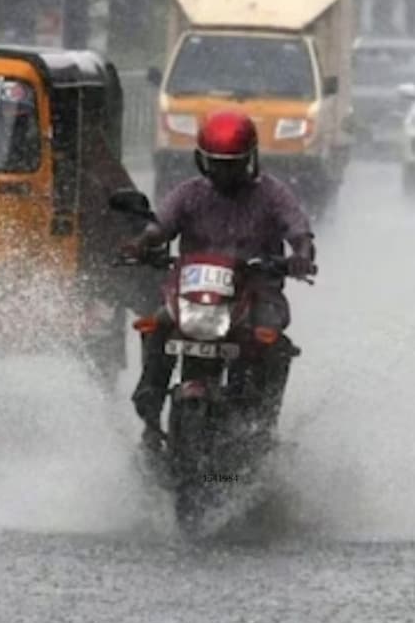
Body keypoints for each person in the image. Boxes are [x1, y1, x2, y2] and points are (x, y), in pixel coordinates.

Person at [119, 110, 317, 454]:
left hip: (256, 294)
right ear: (202, 161)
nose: (226, 173)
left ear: (250, 160)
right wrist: (141, 243)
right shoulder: (189, 194)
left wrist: (300, 253)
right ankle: (150, 414)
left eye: (234, 164)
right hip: (193, 297)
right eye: (218, 164)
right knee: (157, 324)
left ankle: (262, 426)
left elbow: (298, 228)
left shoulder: (272, 194)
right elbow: (160, 226)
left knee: (272, 341)